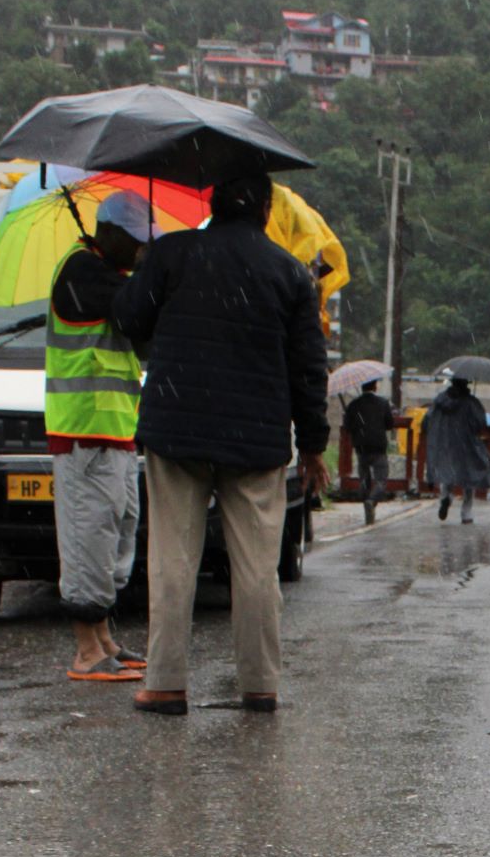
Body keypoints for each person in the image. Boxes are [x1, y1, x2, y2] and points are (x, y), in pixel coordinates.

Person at [111, 167, 329, 716]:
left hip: (177, 427)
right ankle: (259, 686)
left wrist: (146, 272)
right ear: (263, 211)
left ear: (213, 203)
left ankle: (164, 683)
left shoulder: (172, 254)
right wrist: (315, 445)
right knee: (257, 568)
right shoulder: (290, 274)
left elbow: (129, 318)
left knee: (172, 561)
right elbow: (309, 369)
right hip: (255, 439)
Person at [45, 192, 153, 681]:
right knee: (88, 535)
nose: (138, 252)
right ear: (107, 233)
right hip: (83, 433)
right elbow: (132, 310)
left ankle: (105, 638)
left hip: (115, 434)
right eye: (134, 243)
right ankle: (87, 651)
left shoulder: (109, 274)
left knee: (115, 530)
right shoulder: (81, 273)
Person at [423, 373, 490, 523]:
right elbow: (480, 423)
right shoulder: (470, 402)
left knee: (448, 471)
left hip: (445, 442)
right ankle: (466, 513)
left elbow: (428, 419)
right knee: (470, 475)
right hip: (466, 443)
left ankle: (446, 497)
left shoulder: (440, 400)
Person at [341, 378, 396, 524]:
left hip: (361, 446)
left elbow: (347, 426)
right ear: (375, 387)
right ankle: (371, 501)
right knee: (381, 479)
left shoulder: (354, 405)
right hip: (378, 446)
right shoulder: (383, 403)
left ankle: (367, 501)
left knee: (364, 479)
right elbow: (390, 424)